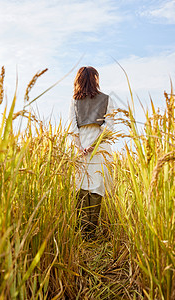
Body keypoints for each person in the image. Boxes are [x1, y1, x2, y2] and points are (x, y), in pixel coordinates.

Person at [69, 66, 114, 239]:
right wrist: (94, 145)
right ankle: (92, 233)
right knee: (97, 185)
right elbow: (108, 126)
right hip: (100, 146)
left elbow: (71, 127)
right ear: (95, 78)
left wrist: (79, 147)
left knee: (80, 184)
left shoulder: (73, 100)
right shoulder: (106, 99)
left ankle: (82, 230)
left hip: (81, 144)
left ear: (79, 79)